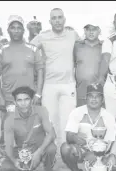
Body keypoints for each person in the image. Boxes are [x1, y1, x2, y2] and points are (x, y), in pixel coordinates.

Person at [0, 15, 44, 171]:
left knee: (29, 129)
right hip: (9, 99)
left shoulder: (34, 49)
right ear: (8, 30)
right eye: (12, 27)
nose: (16, 30)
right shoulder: (1, 49)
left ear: (24, 29)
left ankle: (28, 157)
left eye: (19, 27)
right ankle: (4, 158)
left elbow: (40, 71)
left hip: (28, 100)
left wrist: (38, 94)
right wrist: (0, 96)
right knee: (6, 129)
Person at [31, 8, 80, 147]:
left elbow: (85, 45)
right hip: (49, 85)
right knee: (50, 120)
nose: (57, 21)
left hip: (68, 84)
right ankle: (51, 152)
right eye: (54, 18)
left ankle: (65, 151)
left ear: (64, 19)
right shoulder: (43, 36)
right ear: (50, 21)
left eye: (60, 17)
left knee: (68, 119)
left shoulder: (73, 34)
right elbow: (28, 48)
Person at [0, 86, 57, 171]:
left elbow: (52, 134)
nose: (23, 103)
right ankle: (26, 170)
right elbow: (8, 145)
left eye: (26, 99)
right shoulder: (9, 119)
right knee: (5, 168)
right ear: (15, 102)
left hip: (40, 147)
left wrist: (39, 152)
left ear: (32, 100)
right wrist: (14, 161)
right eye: (19, 100)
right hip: (24, 151)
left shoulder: (41, 110)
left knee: (51, 148)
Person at [60, 83, 116, 171]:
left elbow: (110, 142)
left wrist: (96, 155)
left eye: (97, 97)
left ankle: (100, 170)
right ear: (86, 98)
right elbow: (69, 136)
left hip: (101, 152)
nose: (94, 99)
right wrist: (75, 138)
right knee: (65, 148)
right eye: (91, 96)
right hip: (82, 149)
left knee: (114, 166)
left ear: (102, 99)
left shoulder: (108, 117)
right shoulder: (76, 112)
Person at [74, 19, 102, 107]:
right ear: (85, 31)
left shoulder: (104, 47)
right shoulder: (77, 46)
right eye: (88, 29)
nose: (91, 32)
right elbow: (73, 64)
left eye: (94, 29)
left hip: (99, 93)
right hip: (81, 92)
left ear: (99, 31)